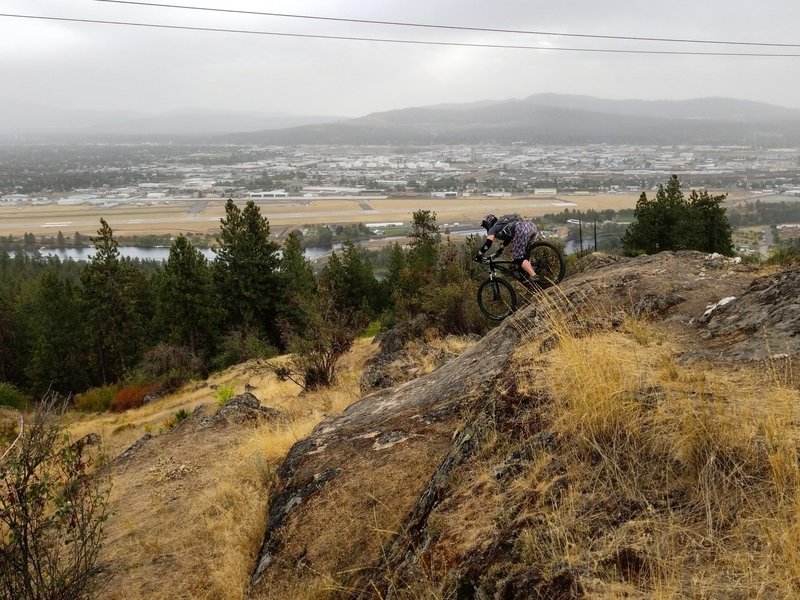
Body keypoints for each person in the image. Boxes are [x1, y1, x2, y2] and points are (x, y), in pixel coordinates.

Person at [474, 214, 538, 279]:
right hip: (531, 226)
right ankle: (531, 273)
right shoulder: (502, 224)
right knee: (525, 255)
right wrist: (500, 250)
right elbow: (508, 239)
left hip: (521, 230)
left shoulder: (493, 228)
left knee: (518, 258)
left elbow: (488, 243)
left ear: (488, 223)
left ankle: (534, 276)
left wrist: (479, 254)